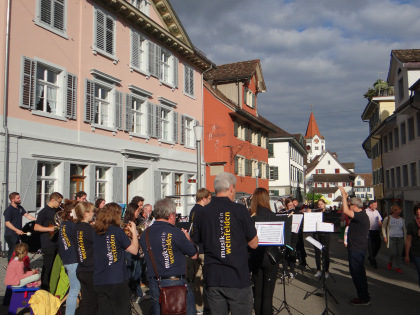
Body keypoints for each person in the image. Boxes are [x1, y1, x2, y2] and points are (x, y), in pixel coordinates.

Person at [192, 172, 258, 315]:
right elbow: (254, 244)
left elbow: (196, 240)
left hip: (214, 276)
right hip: (237, 277)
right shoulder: (239, 210)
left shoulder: (202, 212)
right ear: (231, 188)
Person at [140, 198, 198, 315]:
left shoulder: (145, 233)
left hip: (154, 281)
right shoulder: (175, 232)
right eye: (175, 215)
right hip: (175, 283)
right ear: (171, 215)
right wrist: (188, 239)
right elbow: (194, 254)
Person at [93, 202, 139, 315]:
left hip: (99, 279)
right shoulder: (117, 231)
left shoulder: (95, 231)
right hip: (116, 279)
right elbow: (134, 250)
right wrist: (133, 233)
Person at [249, 188, 279, 315]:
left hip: (254, 256)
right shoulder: (272, 215)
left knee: (258, 292)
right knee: (268, 294)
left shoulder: (250, 215)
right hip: (270, 257)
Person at [338, 186, 371, 306]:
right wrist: (346, 199)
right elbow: (345, 209)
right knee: (359, 273)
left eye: (350, 205)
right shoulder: (361, 215)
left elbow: (345, 211)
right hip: (357, 248)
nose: (349, 206)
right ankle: (364, 296)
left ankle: (363, 298)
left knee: (357, 273)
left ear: (355, 206)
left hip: (357, 249)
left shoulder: (361, 215)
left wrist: (343, 194)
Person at [188, 188, 212, 314]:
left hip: (194, 246)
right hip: (201, 248)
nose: (210, 201)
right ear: (204, 198)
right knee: (201, 279)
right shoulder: (203, 211)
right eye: (209, 199)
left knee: (196, 279)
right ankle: (200, 307)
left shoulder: (193, 210)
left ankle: (199, 306)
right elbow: (205, 231)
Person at [34, 192, 63, 291]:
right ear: (53, 200)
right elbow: (36, 227)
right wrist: (49, 229)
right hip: (48, 242)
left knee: (57, 266)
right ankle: (44, 288)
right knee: (48, 266)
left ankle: (55, 287)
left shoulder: (59, 210)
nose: (60, 204)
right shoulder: (44, 212)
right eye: (59, 202)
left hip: (58, 241)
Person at [74, 202, 98, 314]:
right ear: (85, 213)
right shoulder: (89, 230)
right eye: (92, 211)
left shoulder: (77, 228)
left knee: (86, 301)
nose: (93, 213)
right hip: (90, 269)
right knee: (92, 303)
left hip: (81, 267)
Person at [58, 199, 80, 315]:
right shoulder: (72, 225)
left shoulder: (64, 224)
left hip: (67, 259)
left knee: (75, 289)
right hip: (73, 260)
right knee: (75, 290)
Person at [4, 192, 36, 261]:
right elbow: (7, 223)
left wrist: (37, 220)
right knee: (13, 251)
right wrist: (16, 230)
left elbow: (27, 215)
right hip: (11, 234)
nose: (20, 199)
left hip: (19, 234)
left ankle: (17, 266)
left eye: (19, 197)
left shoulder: (20, 208)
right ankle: (10, 267)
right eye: (17, 198)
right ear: (12, 200)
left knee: (18, 252)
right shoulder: (9, 210)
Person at [123, 202, 144, 302]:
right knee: (132, 273)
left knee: (137, 272)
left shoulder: (135, 221)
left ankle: (138, 293)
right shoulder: (128, 222)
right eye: (137, 211)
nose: (138, 213)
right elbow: (127, 237)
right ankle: (133, 294)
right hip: (130, 251)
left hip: (136, 249)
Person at [382, 205, 406, 274]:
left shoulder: (402, 219)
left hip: (400, 238)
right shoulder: (388, 218)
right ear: (394, 211)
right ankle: (390, 261)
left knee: (399, 253)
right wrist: (385, 236)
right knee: (393, 253)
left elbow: (404, 229)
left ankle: (397, 267)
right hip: (391, 238)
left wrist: (405, 238)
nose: (400, 211)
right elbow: (383, 227)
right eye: (398, 210)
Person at [311, 199, 331, 278]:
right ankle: (318, 270)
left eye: (321, 204)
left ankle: (326, 271)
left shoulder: (328, 213)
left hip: (326, 234)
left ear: (324, 204)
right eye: (318, 204)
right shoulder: (315, 213)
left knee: (326, 252)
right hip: (317, 234)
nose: (320, 206)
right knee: (317, 253)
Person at [405, 203, 420, 288]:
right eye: (417, 210)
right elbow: (408, 240)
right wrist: (407, 255)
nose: (418, 212)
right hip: (416, 252)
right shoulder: (411, 224)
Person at [366, 200, 382, 268]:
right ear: (370, 205)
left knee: (378, 245)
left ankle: (371, 257)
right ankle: (373, 261)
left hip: (376, 231)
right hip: (369, 231)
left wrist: (382, 229)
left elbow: (379, 221)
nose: (376, 206)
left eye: (376, 205)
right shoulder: (365, 212)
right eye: (375, 205)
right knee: (370, 247)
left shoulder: (376, 212)